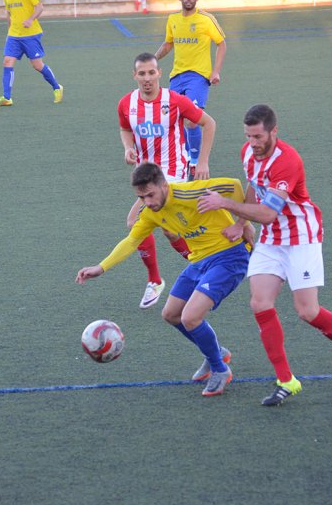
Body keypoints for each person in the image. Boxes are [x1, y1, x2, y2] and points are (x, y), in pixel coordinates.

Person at [197, 104, 332, 406]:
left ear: (274, 131)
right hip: (272, 240)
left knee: (307, 311)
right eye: (248, 136)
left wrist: (225, 204)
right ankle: (287, 380)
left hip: (301, 237)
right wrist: (240, 223)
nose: (253, 143)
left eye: (258, 136)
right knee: (260, 303)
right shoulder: (248, 152)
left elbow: (269, 213)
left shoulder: (288, 161)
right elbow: (253, 186)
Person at [76, 162, 253, 396]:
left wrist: (242, 224)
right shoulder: (151, 212)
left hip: (229, 257)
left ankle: (220, 369)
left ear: (164, 186)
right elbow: (131, 241)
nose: (148, 201)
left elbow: (235, 185)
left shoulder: (191, 192)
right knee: (171, 315)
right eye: (141, 197)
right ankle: (216, 353)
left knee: (190, 317)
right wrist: (101, 267)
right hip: (199, 261)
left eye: (150, 194)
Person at [119, 52, 218, 309]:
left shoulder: (175, 101)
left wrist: (203, 161)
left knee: (135, 221)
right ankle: (202, 265)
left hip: (171, 172)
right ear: (135, 76)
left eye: (152, 72)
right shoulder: (126, 104)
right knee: (170, 228)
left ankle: (156, 279)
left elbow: (209, 124)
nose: (147, 78)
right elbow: (125, 129)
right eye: (142, 73)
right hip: (146, 177)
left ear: (159, 73)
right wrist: (128, 148)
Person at [154, 0, 226, 176]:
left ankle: (194, 162)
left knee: (192, 120)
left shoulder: (206, 19)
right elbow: (168, 43)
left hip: (199, 76)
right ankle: (185, 157)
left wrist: (215, 71)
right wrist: (154, 60)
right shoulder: (173, 20)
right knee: (175, 120)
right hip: (177, 76)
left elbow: (221, 43)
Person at [0, 0, 64, 107]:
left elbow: (40, 7)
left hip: (31, 34)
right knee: (7, 61)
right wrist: (9, 32)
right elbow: (9, 13)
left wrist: (30, 19)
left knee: (37, 65)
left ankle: (57, 87)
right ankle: (6, 97)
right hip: (14, 35)